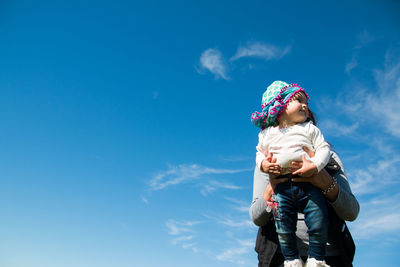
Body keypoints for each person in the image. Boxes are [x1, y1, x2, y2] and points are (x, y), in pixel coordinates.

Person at [249, 82, 359, 267]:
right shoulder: (269, 158)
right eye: (297, 101)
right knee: (284, 225)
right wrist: (273, 184)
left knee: (317, 220)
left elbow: (351, 211)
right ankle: (292, 258)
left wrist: (323, 179)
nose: (305, 106)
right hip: (278, 257)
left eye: (305, 104)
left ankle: (316, 259)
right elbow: (256, 216)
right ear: (280, 110)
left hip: (331, 255)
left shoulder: (329, 158)